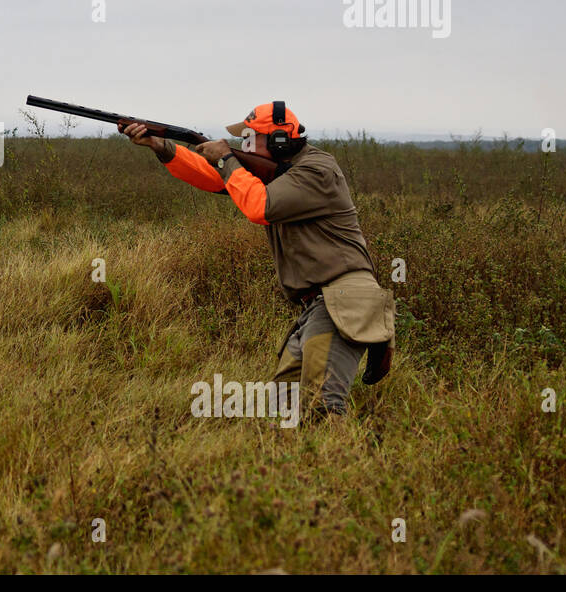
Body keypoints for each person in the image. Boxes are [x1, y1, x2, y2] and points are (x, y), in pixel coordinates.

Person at [120, 101, 394, 420]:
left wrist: (226, 158)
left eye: (250, 138)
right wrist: (162, 146)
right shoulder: (278, 172)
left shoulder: (316, 170)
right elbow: (216, 179)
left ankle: (343, 462)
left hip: (343, 298)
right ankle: (306, 466)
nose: (243, 144)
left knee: (321, 407)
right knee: (284, 406)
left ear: (278, 140)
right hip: (319, 305)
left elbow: (258, 207)